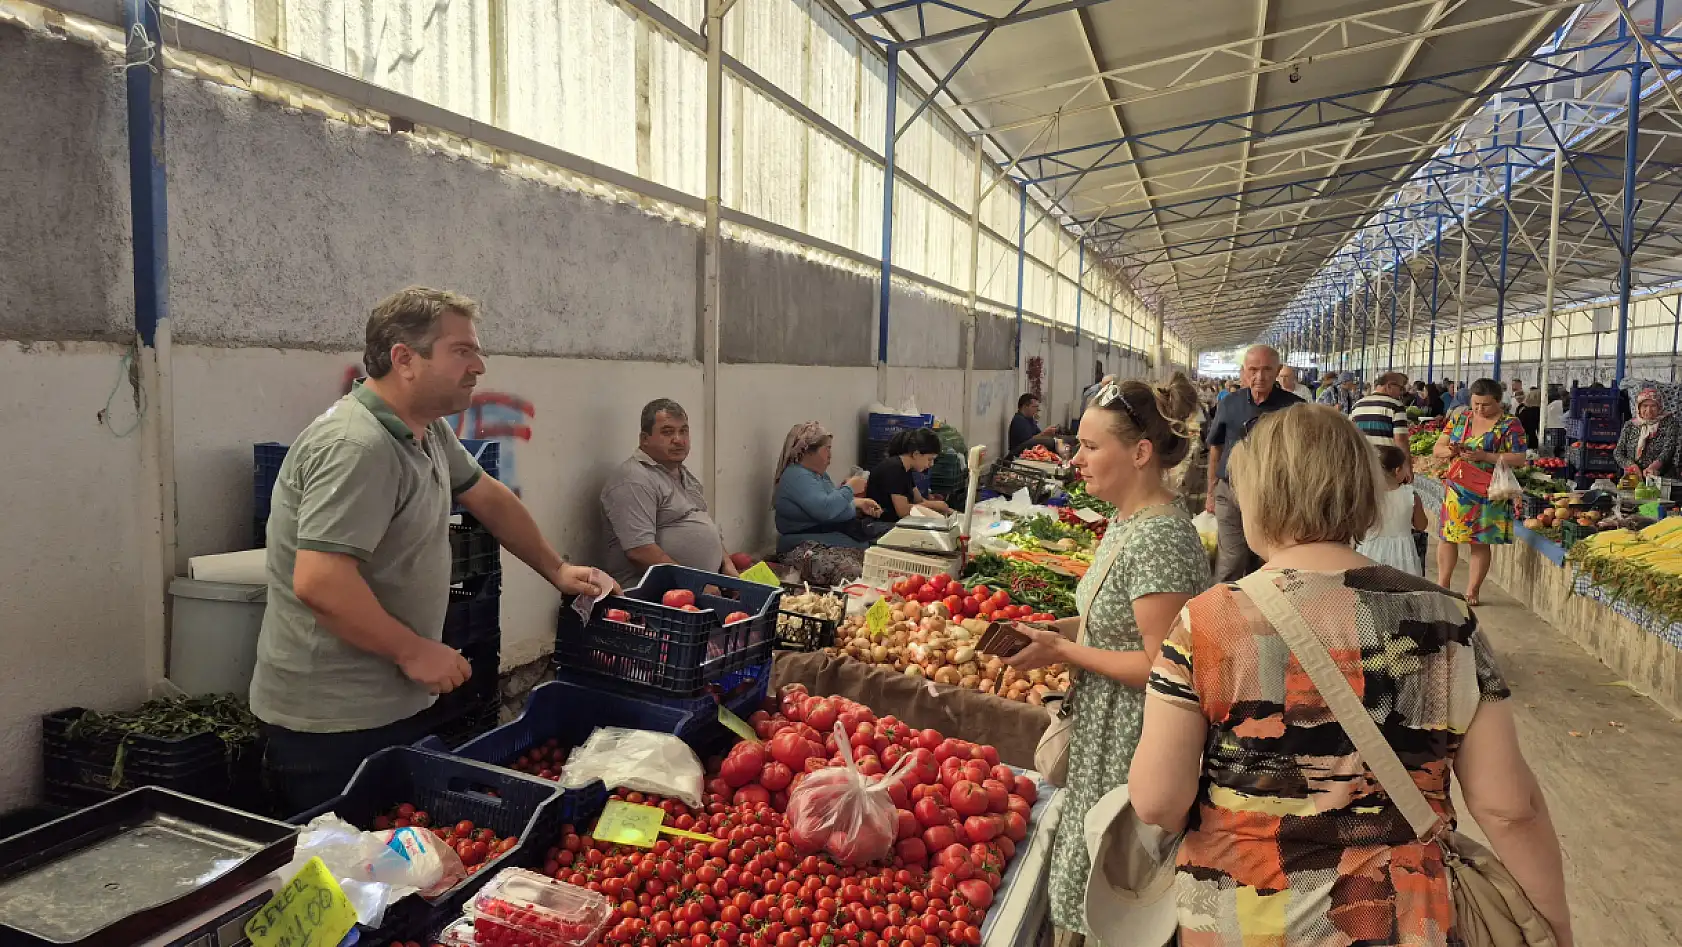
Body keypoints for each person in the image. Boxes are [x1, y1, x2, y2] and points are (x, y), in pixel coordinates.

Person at [1126, 404, 1573, 947]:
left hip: (1242, 915)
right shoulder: (1449, 620)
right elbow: (1509, 807)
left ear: (1259, 496)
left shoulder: (1206, 622)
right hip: (1405, 917)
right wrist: (1553, 929)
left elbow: (1157, 801)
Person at [252, 287, 616, 814]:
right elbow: (319, 580)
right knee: (346, 874)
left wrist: (556, 569)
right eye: (462, 351)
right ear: (405, 358)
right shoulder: (358, 447)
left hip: (390, 703)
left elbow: (488, 496)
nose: (479, 366)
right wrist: (413, 651)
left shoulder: (425, 430)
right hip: (333, 725)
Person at [998, 372, 1210, 940]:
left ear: (1141, 452)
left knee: (1116, 876)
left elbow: (1164, 666)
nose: (1077, 460)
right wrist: (1051, 631)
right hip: (1104, 728)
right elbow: (1112, 624)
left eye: (1091, 448)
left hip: (1134, 737)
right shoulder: (1125, 521)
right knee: (1090, 862)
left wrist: (1066, 650)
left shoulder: (1160, 538)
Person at [601, 399, 739, 588]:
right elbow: (640, 551)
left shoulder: (682, 474)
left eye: (683, 431)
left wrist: (726, 563)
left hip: (700, 590)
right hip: (656, 598)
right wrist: (694, 585)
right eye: (667, 432)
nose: (679, 440)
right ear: (644, 439)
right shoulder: (633, 479)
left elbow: (705, 523)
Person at [1203, 344, 1299, 583]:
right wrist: (1211, 492)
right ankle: (1222, 613)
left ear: (1277, 370)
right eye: (1253, 369)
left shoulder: (1294, 408)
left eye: (1267, 369)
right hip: (1230, 490)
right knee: (1231, 559)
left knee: (1267, 559)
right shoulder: (1229, 403)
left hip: (1273, 493)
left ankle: (1261, 613)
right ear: (1244, 371)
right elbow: (1216, 448)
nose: (1260, 376)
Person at [1434, 378, 1529, 605]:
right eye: (1475, 403)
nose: (1479, 409)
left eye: (1485, 405)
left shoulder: (1510, 424)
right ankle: (1442, 585)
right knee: (1448, 537)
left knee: (1479, 540)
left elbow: (1519, 458)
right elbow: (1438, 447)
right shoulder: (1461, 418)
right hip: (1458, 487)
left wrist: (1485, 456)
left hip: (1490, 490)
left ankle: (1472, 590)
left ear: (1498, 401)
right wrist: (1450, 451)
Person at [771, 422, 883, 552]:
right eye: (827, 449)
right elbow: (825, 510)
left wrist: (858, 503)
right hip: (803, 544)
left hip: (830, 533)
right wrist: (849, 488)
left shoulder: (819, 475)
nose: (830, 455)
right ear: (809, 452)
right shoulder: (797, 476)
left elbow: (831, 501)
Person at [1358, 445, 1427, 574]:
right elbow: (1421, 525)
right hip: (1402, 554)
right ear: (1397, 470)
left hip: (1370, 551)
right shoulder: (1411, 495)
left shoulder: (1366, 496)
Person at [867, 428, 951, 523]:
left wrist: (947, 510)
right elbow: (903, 511)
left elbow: (919, 500)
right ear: (916, 454)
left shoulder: (906, 470)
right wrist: (935, 506)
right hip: (878, 524)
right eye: (929, 459)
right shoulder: (894, 469)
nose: (931, 464)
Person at [1350, 372, 1413, 480]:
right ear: (1389, 386)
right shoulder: (1396, 406)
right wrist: (1407, 466)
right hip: (1386, 466)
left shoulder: (1357, 405)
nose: (1401, 393)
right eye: (1400, 388)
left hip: (1363, 463)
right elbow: (1400, 440)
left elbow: (1351, 435)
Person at [1614, 388, 1682, 480]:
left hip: (1661, 476)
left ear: (1659, 407)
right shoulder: (1630, 425)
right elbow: (1618, 452)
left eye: (1653, 406)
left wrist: (1654, 467)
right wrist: (1631, 466)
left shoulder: (1670, 422)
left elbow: (1669, 449)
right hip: (1632, 477)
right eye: (1644, 406)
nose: (1649, 410)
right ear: (1639, 407)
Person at [1543, 383, 1567, 457]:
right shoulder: (1559, 404)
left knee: (1552, 446)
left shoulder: (1549, 406)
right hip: (1560, 429)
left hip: (1551, 428)